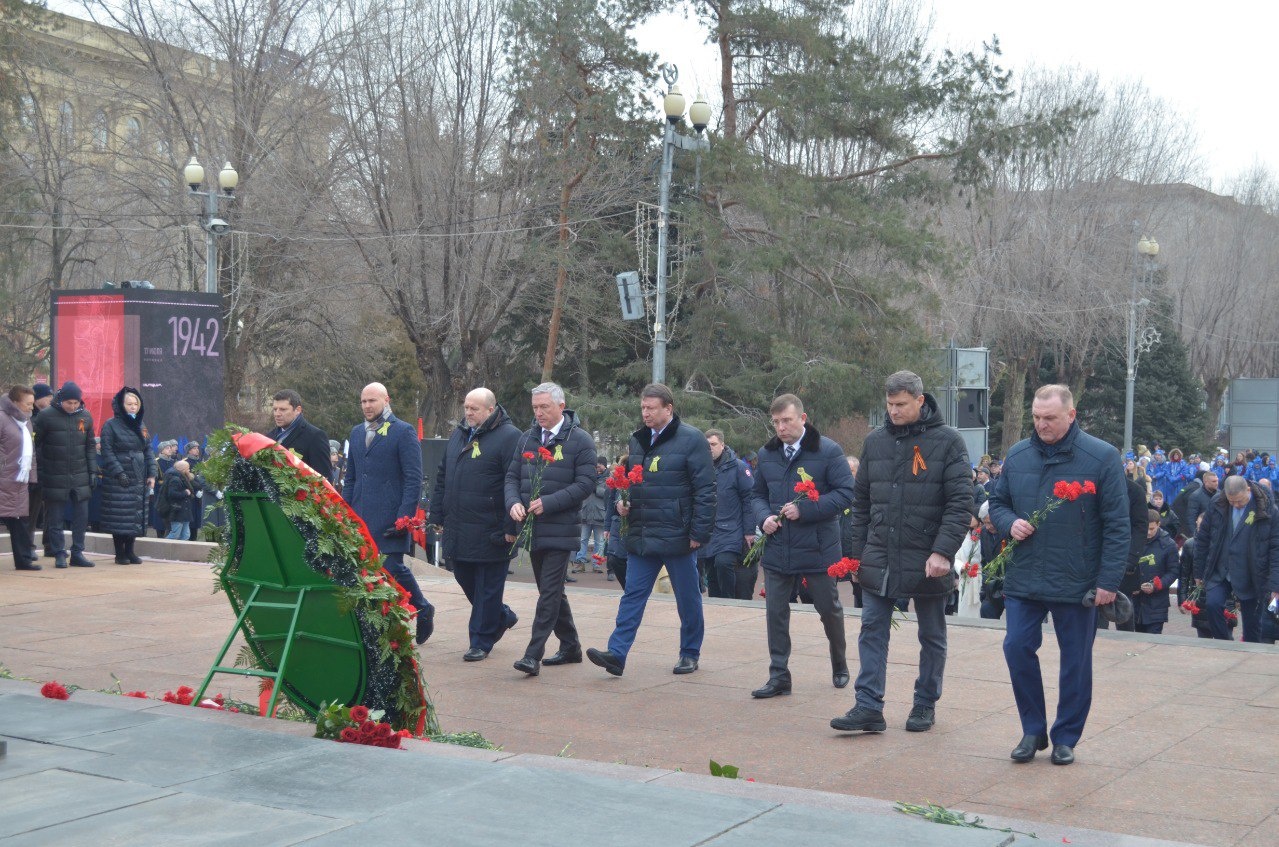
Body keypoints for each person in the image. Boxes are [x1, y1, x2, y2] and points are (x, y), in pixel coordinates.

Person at [988, 384, 1128, 766]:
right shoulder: (1018, 455)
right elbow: (997, 502)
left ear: (1071, 415)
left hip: (1078, 579)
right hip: (1025, 576)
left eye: (1049, 418)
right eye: (1035, 417)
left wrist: (1108, 582)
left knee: (1076, 661)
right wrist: (1009, 522)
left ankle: (1066, 736)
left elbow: (1118, 524)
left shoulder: (1101, 457)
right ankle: (1033, 730)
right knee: (1016, 647)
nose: (1041, 424)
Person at [833, 371, 971, 735]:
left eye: (901, 405)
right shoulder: (875, 442)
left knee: (931, 634)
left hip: (928, 556)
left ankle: (925, 703)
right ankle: (868, 706)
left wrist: (943, 552)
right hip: (880, 553)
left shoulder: (948, 442)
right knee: (872, 628)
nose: (893, 411)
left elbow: (960, 504)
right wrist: (857, 555)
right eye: (889, 405)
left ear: (920, 401)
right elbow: (861, 503)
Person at [587, 384, 714, 677]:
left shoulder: (692, 439)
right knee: (632, 594)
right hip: (642, 532)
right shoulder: (638, 440)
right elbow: (631, 482)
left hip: (678, 535)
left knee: (688, 597)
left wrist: (699, 533)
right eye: (643, 408)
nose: (645, 413)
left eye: (651, 408)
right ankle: (617, 654)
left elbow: (706, 491)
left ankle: (689, 652)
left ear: (668, 409)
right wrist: (622, 502)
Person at [749, 394, 854, 699]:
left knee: (829, 610)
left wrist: (805, 510)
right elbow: (756, 494)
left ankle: (839, 664)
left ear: (803, 419)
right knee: (776, 612)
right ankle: (779, 675)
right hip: (778, 547)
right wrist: (763, 517)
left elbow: (846, 494)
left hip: (819, 548)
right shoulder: (766, 454)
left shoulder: (828, 451)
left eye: (787, 421)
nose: (781, 428)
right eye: (776, 422)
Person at [505, 382, 596, 676]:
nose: (539, 413)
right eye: (535, 408)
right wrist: (514, 503)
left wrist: (550, 502)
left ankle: (533, 654)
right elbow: (511, 477)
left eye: (544, 407)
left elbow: (585, 484)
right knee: (551, 590)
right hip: (532, 527)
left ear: (561, 405)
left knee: (548, 593)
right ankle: (570, 646)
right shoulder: (527, 437)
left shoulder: (579, 440)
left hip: (561, 527)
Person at [430, 388, 521, 663]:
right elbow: (443, 476)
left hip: (492, 528)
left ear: (490, 410)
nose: (468, 413)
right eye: (466, 407)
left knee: (488, 587)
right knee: (463, 577)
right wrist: (436, 515)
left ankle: (480, 641)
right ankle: (501, 616)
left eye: (474, 409)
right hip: (459, 526)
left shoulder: (509, 437)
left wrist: (510, 527)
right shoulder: (459, 434)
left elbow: (514, 482)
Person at [343, 382, 434, 644]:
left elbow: (413, 478)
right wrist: (346, 512)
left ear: (386, 400)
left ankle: (422, 607)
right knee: (371, 573)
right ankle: (382, 625)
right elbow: (351, 478)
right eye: (363, 401)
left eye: (372, 401)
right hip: (361, 516)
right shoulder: (357, 432)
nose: (367, 406)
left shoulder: (402, 432)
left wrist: (404, 517)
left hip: (391, 517)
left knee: (390, 566)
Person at [1193, 474, 1279, 643]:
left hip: (1252, 573)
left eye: (1240, 501)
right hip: (1221, 568)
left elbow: (1276, 548)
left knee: (1252, 625)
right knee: (1212, 604)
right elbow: (1203, 538)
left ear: (1248, 490)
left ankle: (1252, 654)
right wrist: (1198, 572)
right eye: (1232, 501)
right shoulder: (1218, 503)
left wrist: (1275, 584)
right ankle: (1225, 643)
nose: (1236, 505)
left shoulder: (1267, 509)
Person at [33, 382, 96, 569]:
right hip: (54, 475)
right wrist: (41, 470)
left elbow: (90, 446)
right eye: (69, 403)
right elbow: (35, 445)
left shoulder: (85, 416)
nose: (73, 406)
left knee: (81, 517)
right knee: (55, 518)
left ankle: (77, 552)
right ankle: (59, 553)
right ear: (61, 400)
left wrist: (93, 471)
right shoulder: (45, 416)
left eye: (76, 403)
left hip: (80, 475)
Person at [98, 387, 154, 564]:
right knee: (120, 516)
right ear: (121, 405)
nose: (133, 407)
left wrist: (151, 473)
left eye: (136, 404)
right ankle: (119, 553)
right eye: (129, 404)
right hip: (119, 478)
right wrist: (119, 472)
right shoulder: (110, 425)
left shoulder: (141, 425)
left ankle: (130, 551)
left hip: (139, 476)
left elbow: (148, 450)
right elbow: (107, 452)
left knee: (135, 515)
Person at [702, 429, 756, 600]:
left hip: (732, 528)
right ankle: (717, 605)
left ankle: (729, 600)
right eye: (706, 445)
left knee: (723, 562)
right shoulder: (701, 468)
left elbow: (750, 499)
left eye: (713, 444)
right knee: (711, 572)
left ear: (722, 445)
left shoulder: (738, 467)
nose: (709, 448)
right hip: (709, 529)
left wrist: (749, 530)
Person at [1, 385, 40, 570]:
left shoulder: (25, 421)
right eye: (28, 404)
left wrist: (32, 478)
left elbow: (30, 453)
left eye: (32, 404)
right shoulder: (2, 418)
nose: (31, 408)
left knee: (21, 523)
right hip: (4, 479)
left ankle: (23, 560)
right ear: (15, 402)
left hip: (19, 482)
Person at [267, 389, 332, 480]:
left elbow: (324, 479)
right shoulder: (269, 437)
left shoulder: (315, 437)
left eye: (283, 409)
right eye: (275, 409)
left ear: (298, 410)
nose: (277, 414)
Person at [1131, 510, 1178, 634]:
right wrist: (1130, 585)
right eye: (1146, 528)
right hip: (1134, 601)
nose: (1148, 532)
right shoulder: (1132, 540)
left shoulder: (1168, 544)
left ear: (1158, 524)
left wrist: (1156, 586)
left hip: (1157, 603)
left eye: (1152, 528)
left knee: (1153, 638)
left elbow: (1173, 572)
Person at [26, 383, 54, 557]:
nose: (51, 400)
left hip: (50, 470)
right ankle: (27, 547)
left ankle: (50, 545)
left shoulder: (51, 416)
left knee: (51, 511)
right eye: (47, 397)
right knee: (31, 513)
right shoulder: (28, 418)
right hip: (34, 471)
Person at [573, 458, 608, 572]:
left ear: (604, 466)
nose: (597, 469)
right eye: (595, 467)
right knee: (582, 539)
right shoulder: (587, 477)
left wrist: (596, 488)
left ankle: (596, 564)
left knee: (599, 541)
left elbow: (607, 493)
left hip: (600, 513)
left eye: (599, 466)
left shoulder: (609, 478)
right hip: (585, 512)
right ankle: (580, 562)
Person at [161, 459, 196, 539]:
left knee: (186, 535)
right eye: (188, 468)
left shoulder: (182, 478)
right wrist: (185, 493)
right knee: (175, 534)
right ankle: (163, 549)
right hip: (178, 510)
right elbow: (172, 494)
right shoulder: (175, 479)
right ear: (183, 470)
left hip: (184, 510)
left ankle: (182, 551)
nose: (189, 470)